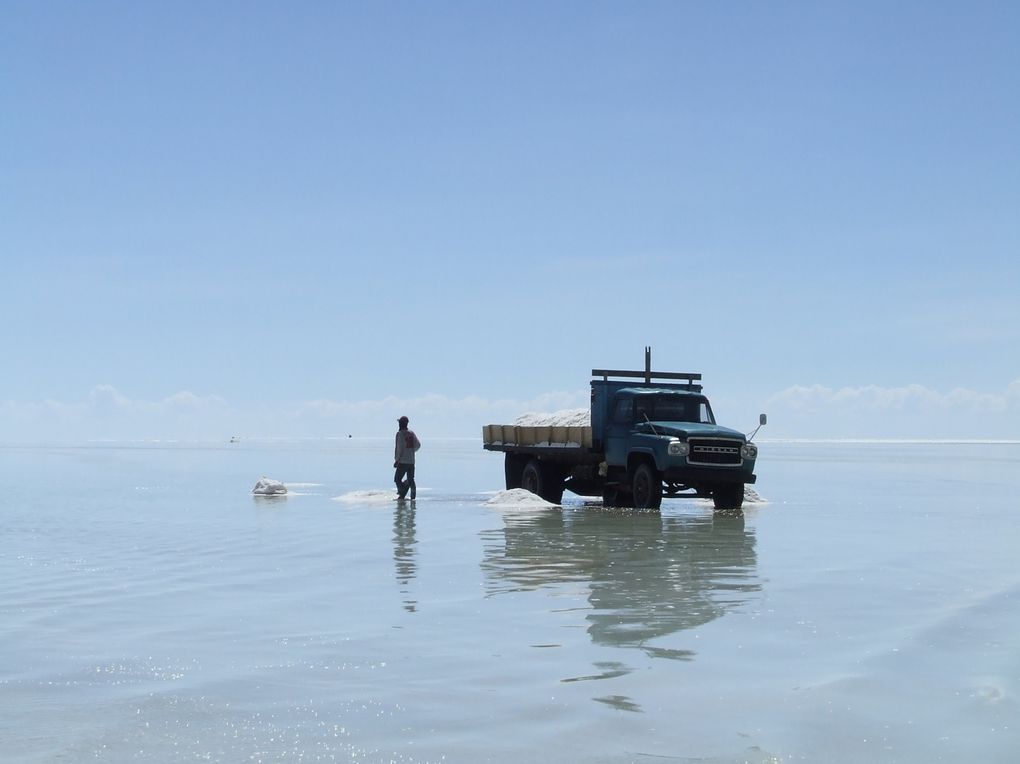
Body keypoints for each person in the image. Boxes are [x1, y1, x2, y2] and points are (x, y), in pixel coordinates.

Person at [393, 415, 421, 500]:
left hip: (402, 461)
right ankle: (413, 498)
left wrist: (397, 460)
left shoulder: (400, 434)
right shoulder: (411, 433)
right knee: (411, 479)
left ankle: (402, 493)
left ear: (401, 424)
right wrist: (411, 452)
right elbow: (418, 445)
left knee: (397, 479)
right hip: (411, 461)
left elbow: (399, 448)